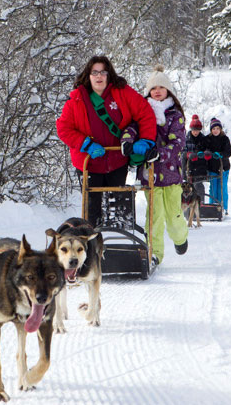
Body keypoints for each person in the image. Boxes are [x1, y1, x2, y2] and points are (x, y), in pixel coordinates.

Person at [56, 56, 157, 226]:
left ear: (109, 75)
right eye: (94, 72)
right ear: (88, 76)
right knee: (92, 211)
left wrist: (146, 140)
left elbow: (145, 113)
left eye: (103, 72)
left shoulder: (122, 92)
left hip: (117, 160)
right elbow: (63, 128)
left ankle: (117, 247)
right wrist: (85, 144)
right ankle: (92, 247)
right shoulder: (77, 99)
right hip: (89, 162)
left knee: (118, 208)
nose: (99, 76)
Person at [122, 66, 186, 264]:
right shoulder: (142, 111)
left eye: (161, 87)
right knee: (154, 216)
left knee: (173, 217)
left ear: (168, 91)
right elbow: (131, 127)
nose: (157, 91)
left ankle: (180, 237)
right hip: (150, 175)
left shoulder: (175, 115)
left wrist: (159, 153)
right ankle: (154, 253)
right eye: (153, 88)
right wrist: (127, 141)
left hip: (172, 175)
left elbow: (178, 143)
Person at [205, 118, 231, 215]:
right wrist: (207, 153)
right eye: (213, 129)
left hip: (223, 167)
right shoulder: (207, 139)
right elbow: (205, 149)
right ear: (211, 130)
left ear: (220, 129)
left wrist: (220, 154)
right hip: (212, 167)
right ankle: (211, 208)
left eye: (217, 128)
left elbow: (229, 152)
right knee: (213, 188)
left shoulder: (225, 139)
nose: (215, 130)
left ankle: (223, 208)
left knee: (222, 188)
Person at [184, 114, 208, 203]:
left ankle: (201, 204)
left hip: (199, 166)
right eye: (194, 130)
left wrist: (201, 155)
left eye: (197, 130)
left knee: (199, 185)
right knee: (187, 187)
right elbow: (183, 151)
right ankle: (188, 205)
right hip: (188, 166)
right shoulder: (186, 139)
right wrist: (187, 154)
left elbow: (206, 150)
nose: (195, 132)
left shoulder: (203, 139)